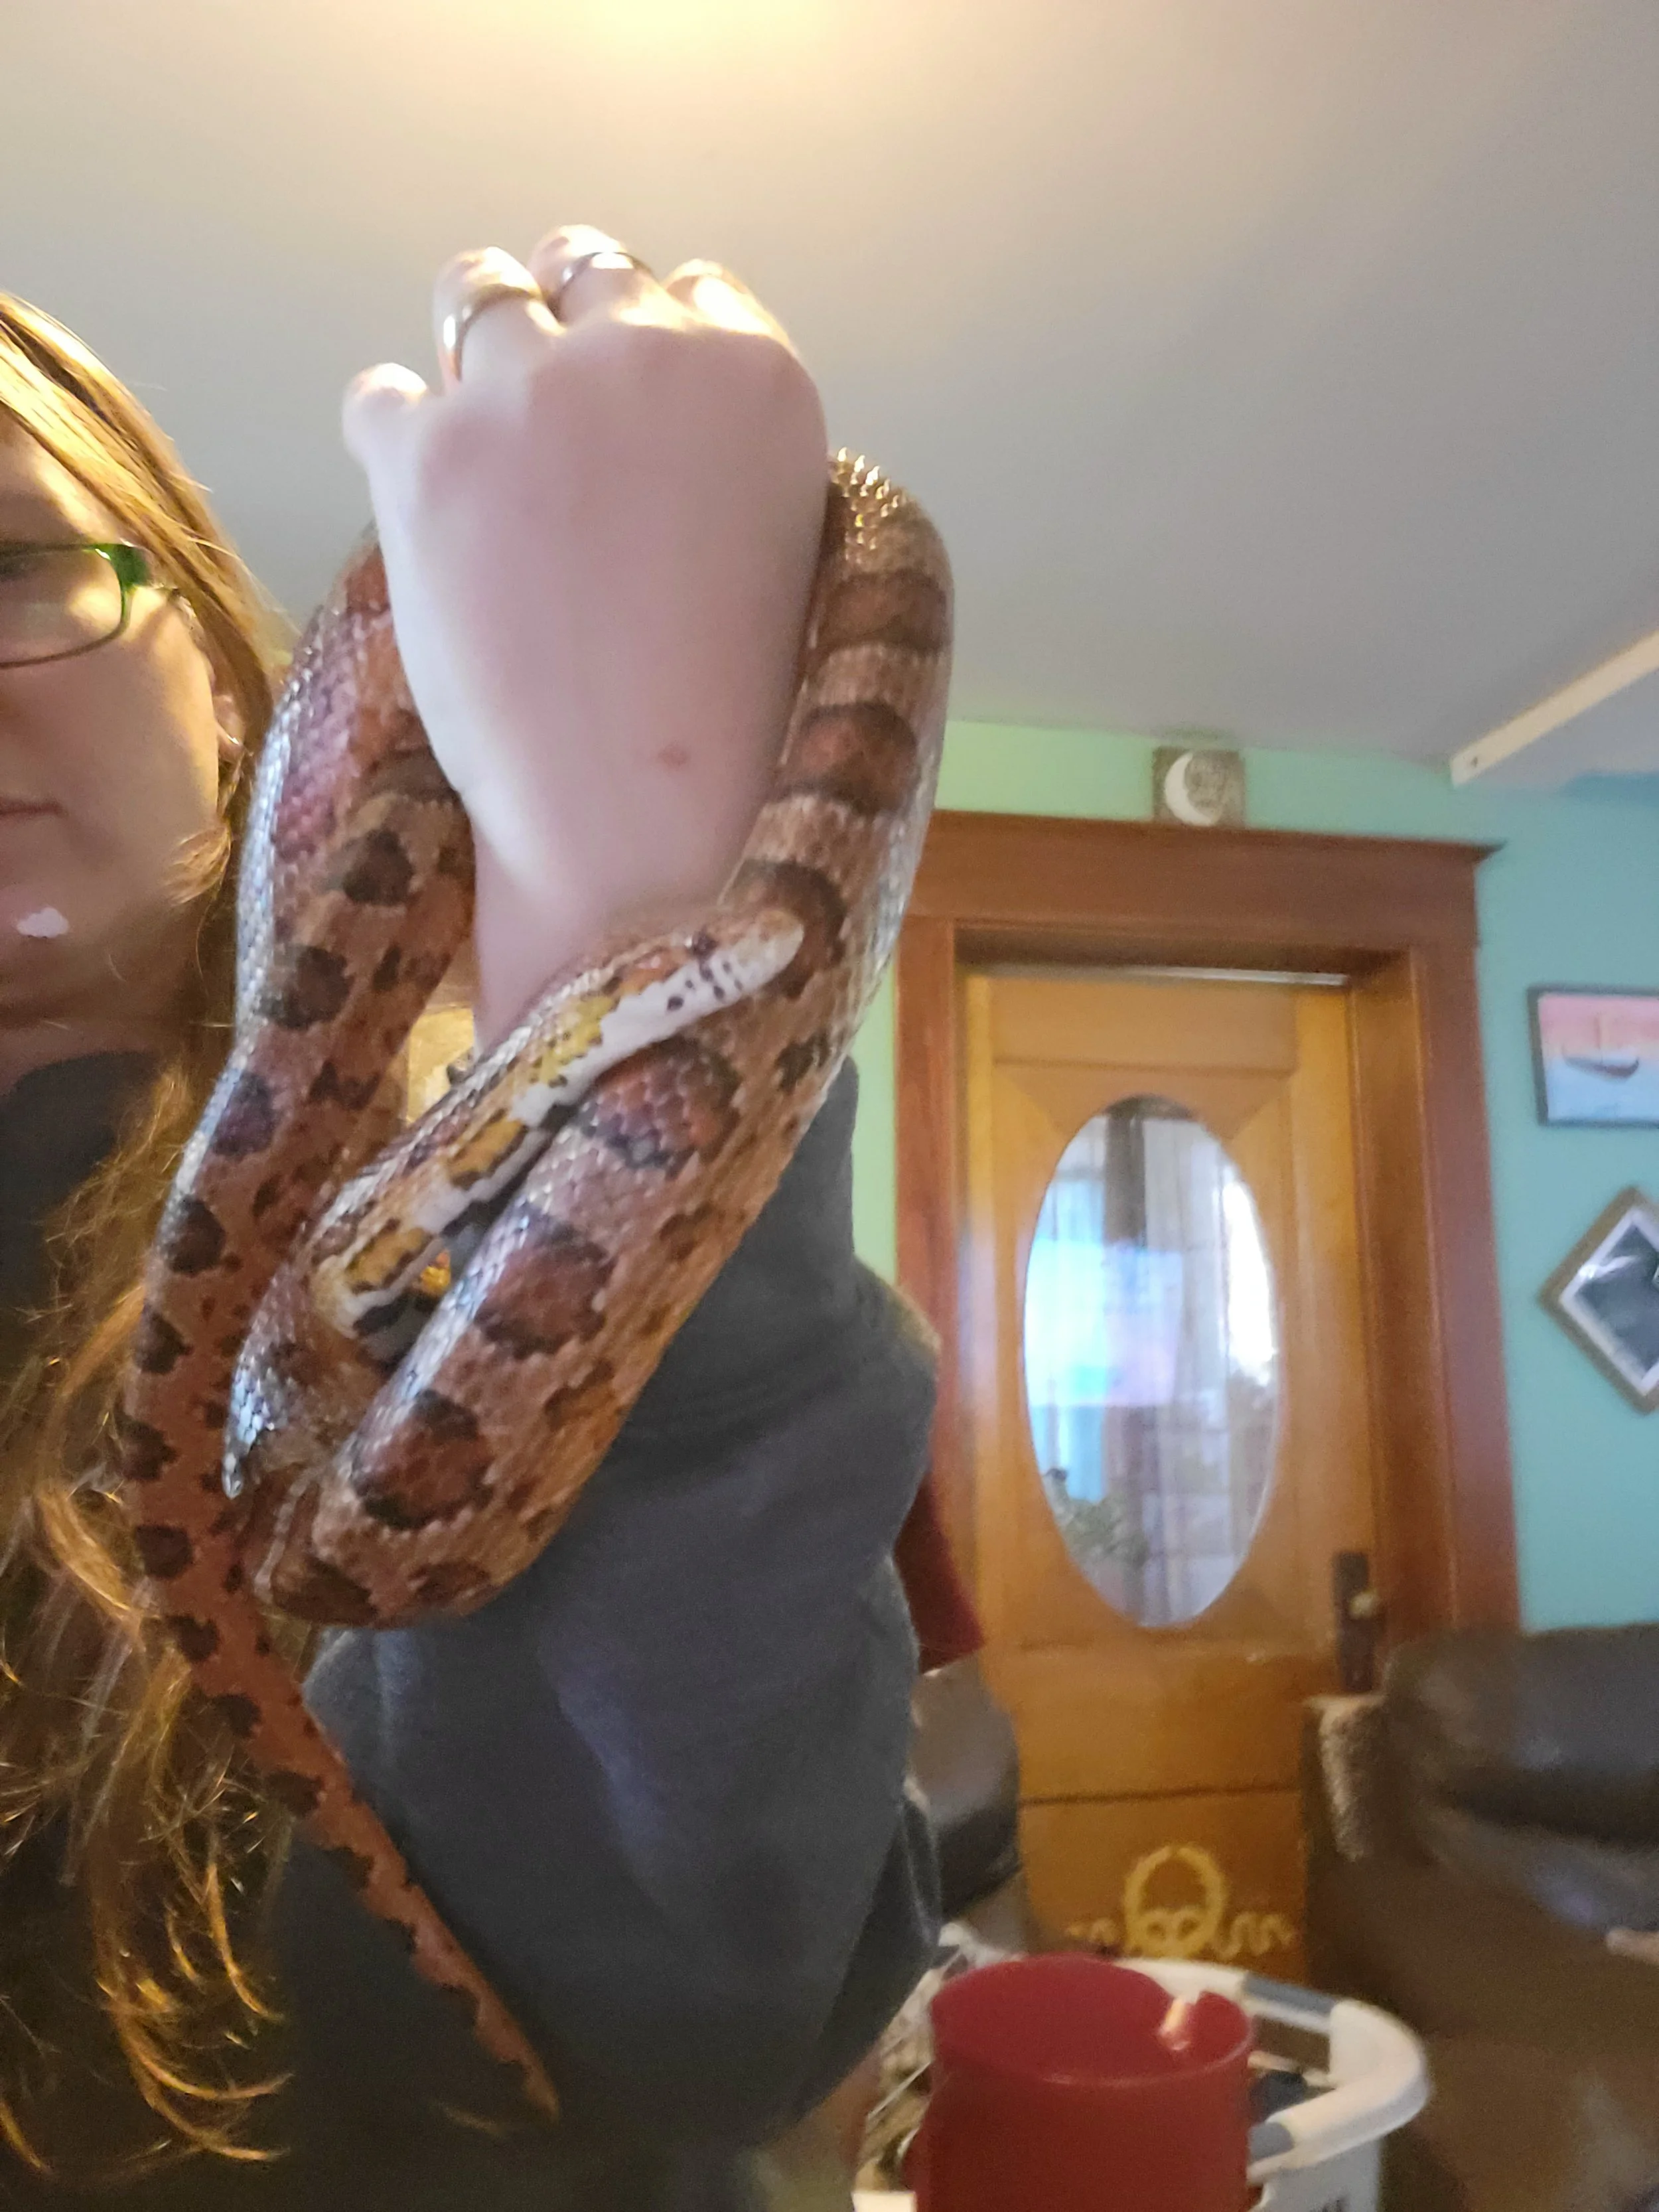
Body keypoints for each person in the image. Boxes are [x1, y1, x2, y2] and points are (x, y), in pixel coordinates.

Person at [0, 225, 942, 2209]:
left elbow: (715, 2018)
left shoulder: (402, 1154)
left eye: (15, 573)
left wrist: (629, 908)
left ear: (240, 673)